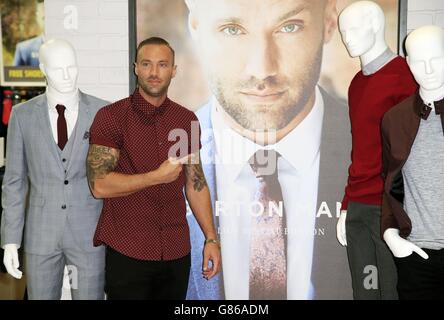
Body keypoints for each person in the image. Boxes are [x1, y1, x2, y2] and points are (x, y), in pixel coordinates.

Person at [184, 0, 352, 299]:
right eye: (232, 29)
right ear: (195, 26)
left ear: (329, 21)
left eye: (290, 27)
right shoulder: (159, 154)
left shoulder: (380, 145)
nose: (261, 70)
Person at [87, 37, 221, 300]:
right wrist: (154, 177)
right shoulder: (111, 117)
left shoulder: (186, 119)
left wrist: (211, 239)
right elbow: (99, 186)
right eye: (147, 64)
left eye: (162, 65)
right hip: (128, 250)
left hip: (175, 251)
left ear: (174, 70)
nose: (154, 72)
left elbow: (196, 184)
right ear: (136, 67)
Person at [1, 39, 108, 299]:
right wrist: (11, 241)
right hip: (41, 233)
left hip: (88, 232)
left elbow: (111, 177)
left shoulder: (102, 111)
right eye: (58, 69)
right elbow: (14, 181)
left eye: (71, 67)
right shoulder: (22, 115)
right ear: (43, 69)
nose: (67, 75)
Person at [336, 1, 417, 300]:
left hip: (389, 208)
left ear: (375, 24)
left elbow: (412, 153)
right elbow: (361, 150)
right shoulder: (356, 84)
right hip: (359, 205)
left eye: (353, 29)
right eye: (343, 31)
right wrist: (346, 205)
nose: (347, 38)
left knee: (391, 291)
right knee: (365, 291)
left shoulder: (405, 78)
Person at [381, 25, 444, 300]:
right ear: (408, 63)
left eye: (436, 58)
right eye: (419, 60)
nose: (428, 68)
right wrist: (391, 236)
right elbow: (389, 184)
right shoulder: (394, 120)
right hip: (417, 257)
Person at [13, 0, 45, 67]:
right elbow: (14, 76)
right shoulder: (23, 50)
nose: (47, 23)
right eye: (44, 18)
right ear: (38, 17)